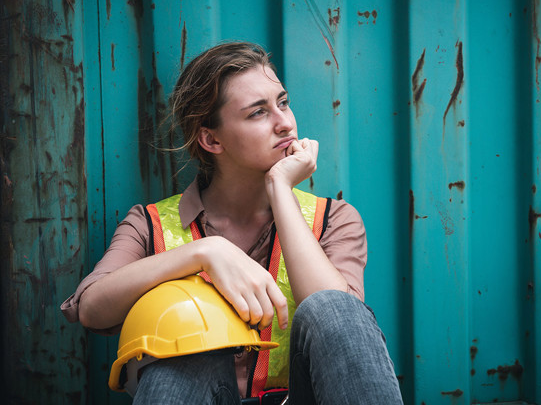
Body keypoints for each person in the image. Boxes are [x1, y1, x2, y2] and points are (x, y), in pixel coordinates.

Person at [61, 41, 403, 404]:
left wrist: (280, 189)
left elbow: (339, 326)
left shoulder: (333, 218)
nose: (285, 122)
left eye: (283, 103)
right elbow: (91, 309)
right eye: (258, 113)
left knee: (335, 307)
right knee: (184, 347)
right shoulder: (150, 225)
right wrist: (204, 252)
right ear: (211, 139)